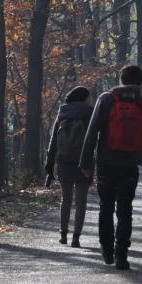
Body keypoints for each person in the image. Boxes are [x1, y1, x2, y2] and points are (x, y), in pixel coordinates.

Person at [79, 65, 142, 270]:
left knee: (106, 207)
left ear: (121, 79)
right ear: (139, 82)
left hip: (106, 163)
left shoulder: (106, 99)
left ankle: (107, 250)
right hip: (129, 164)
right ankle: (121, 254)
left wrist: (86, 163)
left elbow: (92, 132)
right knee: (125, 210)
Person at [44, 86, 94, 247]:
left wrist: (49, 161)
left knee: (65, 200)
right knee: (81, 201)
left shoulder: (62, 112)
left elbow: (53, 140)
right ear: (85, 98)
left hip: (63, 160)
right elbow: (95, 139)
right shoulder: (90, 112)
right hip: (84, 161)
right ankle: (76, 237)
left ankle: (63, 234)